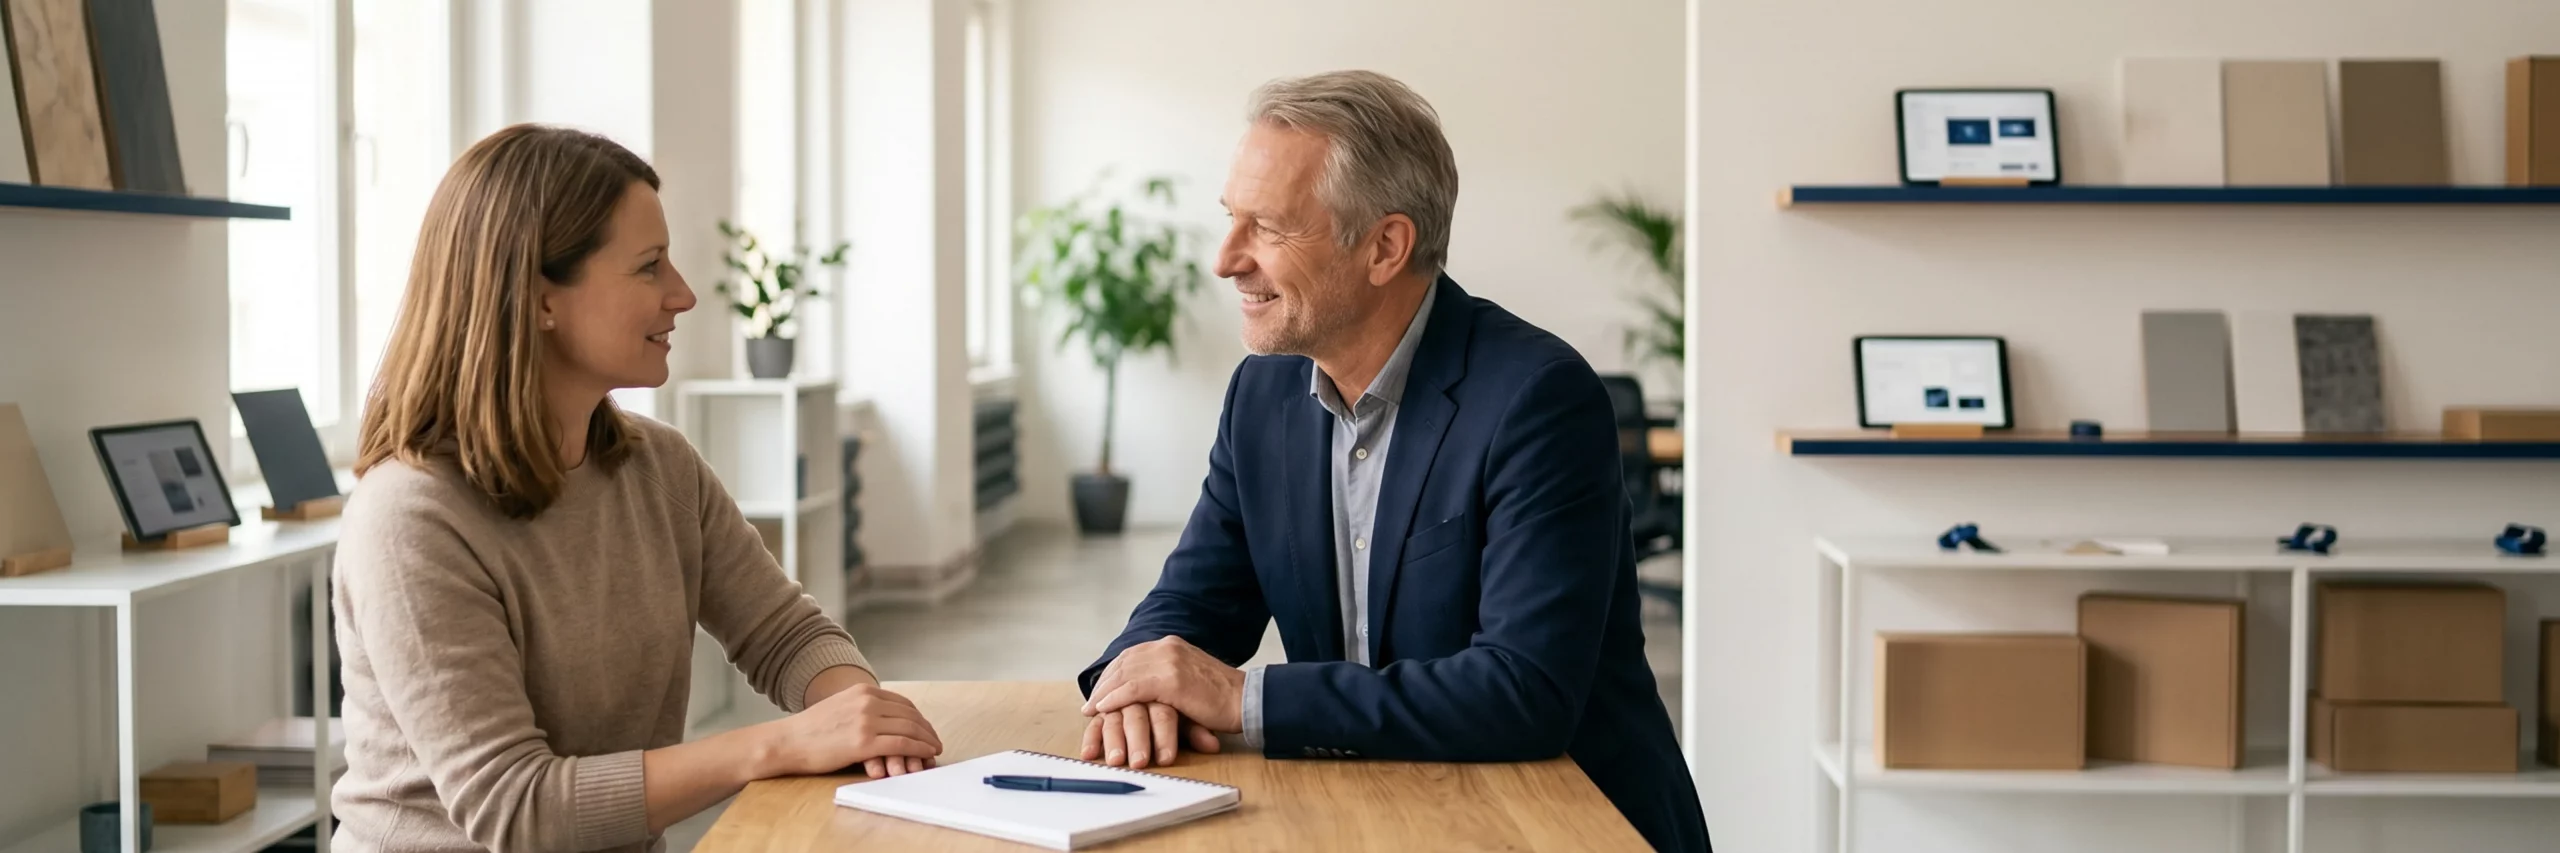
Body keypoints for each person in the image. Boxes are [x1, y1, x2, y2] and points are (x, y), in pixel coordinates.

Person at [1073, 71, 1712, 851]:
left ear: (1385, 246)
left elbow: (1523, 690)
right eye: (1230, 219)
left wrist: (1240, 696)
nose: (1225, 259)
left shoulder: (1538, 398)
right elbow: (1194, 602)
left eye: (1267, 228)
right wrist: (1135, 682)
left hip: (1566, 818)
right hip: (1380, 804)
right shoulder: (1263, 394)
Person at [332, 124, 942, 853]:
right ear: (538, 298)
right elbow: (514, 806)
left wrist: (866, 722)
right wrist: (779, 745)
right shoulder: (411, 517)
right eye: (649, 266)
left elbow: (786, 634)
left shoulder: (661, 466)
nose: (682, 294)